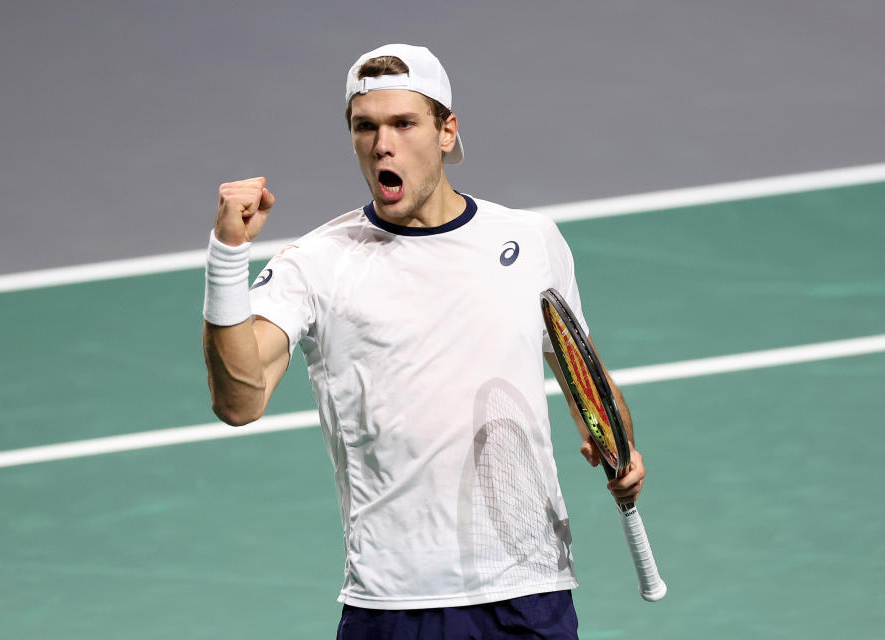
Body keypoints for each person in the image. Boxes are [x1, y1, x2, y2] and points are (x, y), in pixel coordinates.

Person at [202, 43, 647, 639]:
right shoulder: (317, 264)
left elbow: (584, 379)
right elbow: (239, 400)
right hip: (396, 606)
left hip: (530, 594)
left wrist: (621, 447)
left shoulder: (530, 240)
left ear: (446, 131)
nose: (382, 144)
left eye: (404, 123)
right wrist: (227, 258)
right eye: (366, 127)